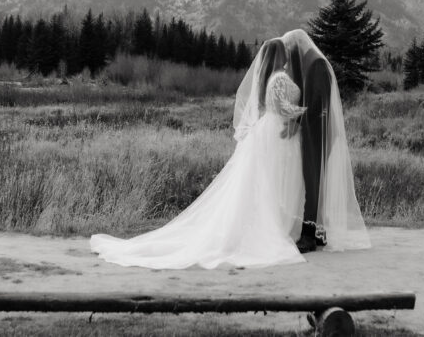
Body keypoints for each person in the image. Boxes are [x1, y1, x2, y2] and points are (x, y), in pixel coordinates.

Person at [89, 31, 369, 269]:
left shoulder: (275, 78)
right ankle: (280, 226)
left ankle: (287, 223)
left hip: (271, 132)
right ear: (279, 56)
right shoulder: (281, 80)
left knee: (264, 185)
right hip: (276, 131)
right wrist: (303, 115)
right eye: (284, 53)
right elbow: (283, 108)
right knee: (271, 183)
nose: (287, 56)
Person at [282, 29, 370, 253]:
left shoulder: (316, 64)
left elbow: (318, 106)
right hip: (314, 130)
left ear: (297, 46)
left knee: (314, 180)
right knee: (314, 180)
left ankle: (310, 235)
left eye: (291, 51)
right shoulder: (312, 61)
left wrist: (297, 120)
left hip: (318, 132)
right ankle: (318, 232)